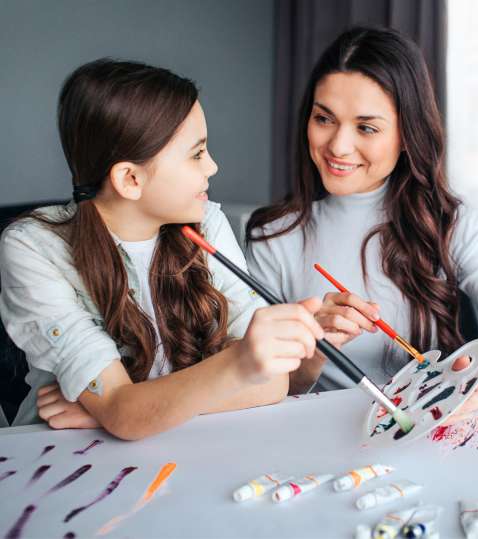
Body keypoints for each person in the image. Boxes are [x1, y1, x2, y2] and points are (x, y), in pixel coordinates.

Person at [246, 27, 478, 422]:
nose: (338, 146)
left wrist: (473, 384)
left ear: (407, 135)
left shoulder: (450, 222)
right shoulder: (275, 236)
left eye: (366, 127)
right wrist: (312, 346)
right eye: (324, 118)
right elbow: (257, 388)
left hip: (426, 435)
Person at [0, 59, 323, 438]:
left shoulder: (206, 222)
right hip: (55, 457)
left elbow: (272, 384)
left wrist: (122, 410)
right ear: (131, 178)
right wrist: (127, 412)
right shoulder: (33, 248)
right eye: (197, 154)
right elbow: (130, 413)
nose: (213, 166)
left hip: (173, 447)